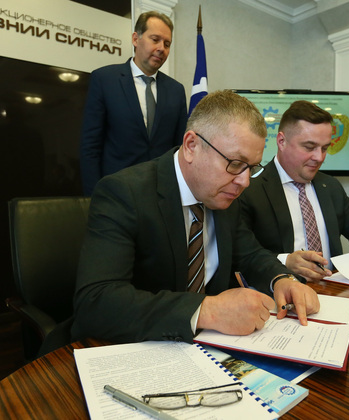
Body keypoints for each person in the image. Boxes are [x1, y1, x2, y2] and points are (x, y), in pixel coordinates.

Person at [71, 91, 320, 344]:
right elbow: (96, 302)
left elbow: (249, 254)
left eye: (252, 168)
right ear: (192, 146)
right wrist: (207, 310)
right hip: (131, 345)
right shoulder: (124, 193)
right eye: (235, 163)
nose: (244, 181)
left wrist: (282, 279)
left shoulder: (225, 192)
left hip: (205, 348)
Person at [239, 100, 349, 282]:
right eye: (309, 147)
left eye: (325, 148)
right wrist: (285, 261)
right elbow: (241, 254)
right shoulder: (249, 189)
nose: (319, 157)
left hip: (333, 290)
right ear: (281, 141)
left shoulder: (330, 186)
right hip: (281, 292)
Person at [79, 11, 188, 196]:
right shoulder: (105, 80)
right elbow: (90, 146)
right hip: (116, 193)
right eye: (155, 39)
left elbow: (179, 150)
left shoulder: (176, 90)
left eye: (167, 44)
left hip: (161, 194)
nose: (161, 48)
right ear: (136, 39)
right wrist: (93, 197)